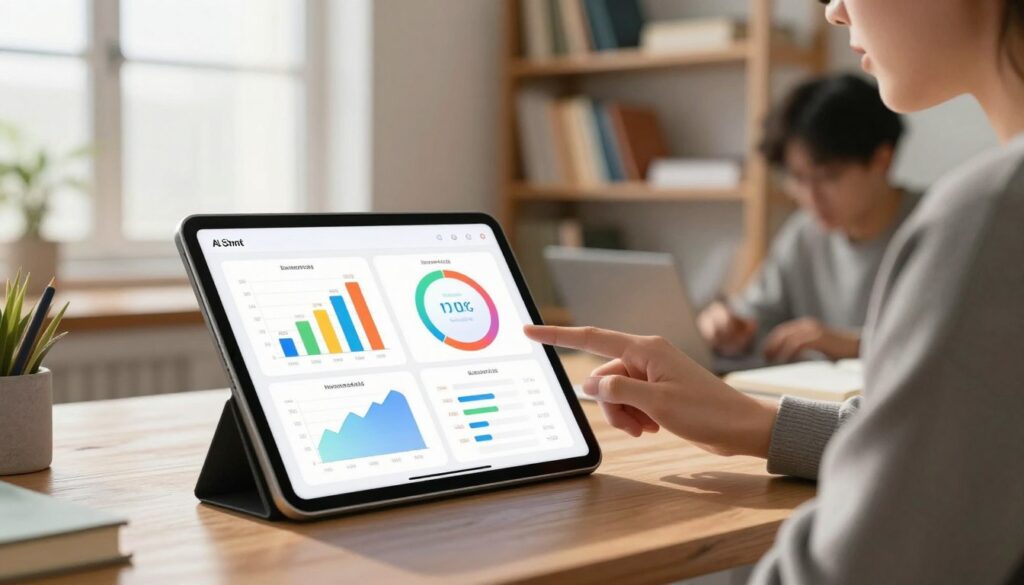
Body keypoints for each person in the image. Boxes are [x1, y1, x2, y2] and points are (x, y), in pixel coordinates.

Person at [524, 0, 1024, 582]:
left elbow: (860, 568)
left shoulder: (992, 215)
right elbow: (962, 447)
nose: (834, 11)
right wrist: (747, 420)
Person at [697, 74, 917, 363]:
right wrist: (725, 328)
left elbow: (951, 341)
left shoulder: (936, 224)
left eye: (829, 177)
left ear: (882, 160)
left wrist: (856, 344)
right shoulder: (804, 233)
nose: (811, 198)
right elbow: (755, 318)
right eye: (798, 179)